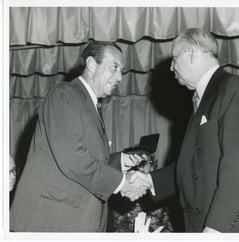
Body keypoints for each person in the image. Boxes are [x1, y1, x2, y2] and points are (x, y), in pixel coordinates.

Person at [125, 28, 239, 232]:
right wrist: (149, 180)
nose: (171, 67)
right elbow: (195, 165)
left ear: (192, 54)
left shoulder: (233, 88)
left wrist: (215, 228)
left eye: (175, 58)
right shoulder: (202, 100)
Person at [10, 41, 149, 232]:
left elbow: (88, 157)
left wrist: (120, 161)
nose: (119, 77)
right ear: (91, 64)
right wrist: (122, 183)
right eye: (114, 67)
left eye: (121, 71)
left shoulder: (92, 105)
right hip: (52, 220)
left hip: (75, 220)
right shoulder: (65, 93)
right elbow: (72, 156)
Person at [110, 154, 174, 232]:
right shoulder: (123, 194)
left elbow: (167, 225)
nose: (140, 166)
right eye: (136, 163)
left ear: (152, 166)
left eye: (144, 162)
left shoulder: (162, 192)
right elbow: (117, 228)